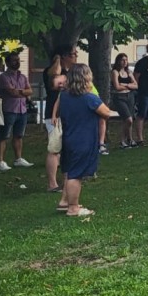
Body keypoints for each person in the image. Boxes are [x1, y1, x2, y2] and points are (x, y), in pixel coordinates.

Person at [52, 64, 117, 217]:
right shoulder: (89, 98)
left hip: (69, 138)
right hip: (83, 140)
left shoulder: (65, 96)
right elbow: (106, 113)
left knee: (69, 171)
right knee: (76, 175)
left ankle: (65, 202)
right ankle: (73, 208)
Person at [43, 45, 76, 193]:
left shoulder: (71, 73)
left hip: (68, 113)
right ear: (64, 57)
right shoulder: (53, 72)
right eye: (73, 54)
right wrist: (57, 60)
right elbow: (55, 78)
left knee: (67, 149)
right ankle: (52, 183)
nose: (75, 56)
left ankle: (67, 179)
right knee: (54, 149)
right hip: (53, 116)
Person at [0, 51, 32, 170]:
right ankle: (0, 161)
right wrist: (23, 92)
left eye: (18, 60)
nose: (17, 62)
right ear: (7, 62)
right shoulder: (3, 77)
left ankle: (18, 159)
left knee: (19, 136)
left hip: (22, 109)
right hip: (8, 109)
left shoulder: (22, 76)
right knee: (3, 136)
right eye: (14, 60)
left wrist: (20, 92)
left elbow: (30, 91)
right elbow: (12, 92)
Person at [109, 53, 137, 149]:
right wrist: (128, 85)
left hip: (129, 96)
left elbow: (135, 85)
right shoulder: (115, 72)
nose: (125, 62)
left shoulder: (128, 72)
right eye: (122, 60)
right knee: (127, 119)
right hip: (119, 97)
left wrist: (126, 85)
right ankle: (122, 140)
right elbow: (117, 86)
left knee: (130, 119)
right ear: (118, 61)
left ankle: (130, 139)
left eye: (126, 59)